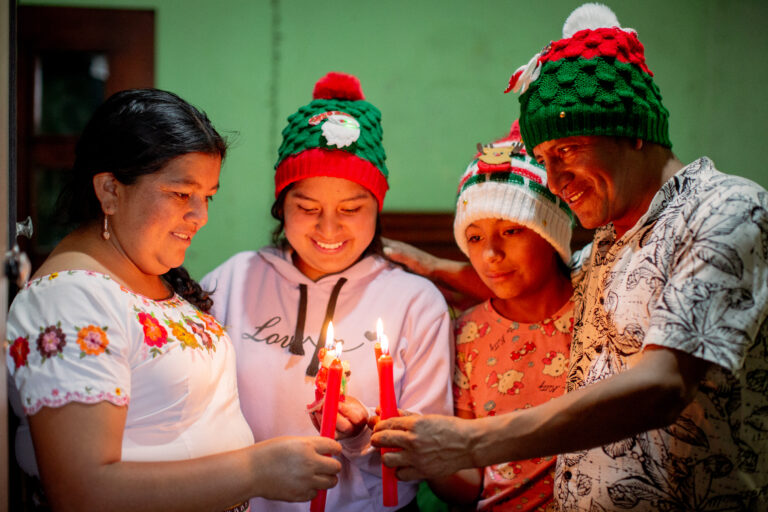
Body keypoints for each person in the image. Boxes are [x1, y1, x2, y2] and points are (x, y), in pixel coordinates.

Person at [372, 4, 768, 511]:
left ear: (632, 129)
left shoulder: (725, 211)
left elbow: (664, 384)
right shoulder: (609, 238)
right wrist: (429, 266)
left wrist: (472, 442)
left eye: (568, 150)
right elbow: (539, 289)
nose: (555, 181)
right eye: (543, 159)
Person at [5, 88, 342, 512]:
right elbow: (82, 491)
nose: (200, 216)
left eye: (209, 196)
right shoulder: (69, 299)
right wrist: (254, 471)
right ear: (110, 190)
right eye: (182, 194)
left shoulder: (145, 275)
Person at [201, 72, 453, 512]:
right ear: (281, 206)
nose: (329, 229)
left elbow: (428, 451)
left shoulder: (416, 302)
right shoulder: (230, 282)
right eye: (308, 208)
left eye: (352, 209)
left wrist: (359, 436)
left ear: (378, 207)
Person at [425, 123, 575, 512]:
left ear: (551, 234)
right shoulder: (466, 333)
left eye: (511, 230)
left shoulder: (596, 313)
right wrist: (422, 453)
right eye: (474, 237)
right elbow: (470, 483)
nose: (490, 253)